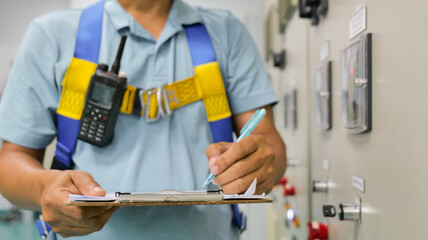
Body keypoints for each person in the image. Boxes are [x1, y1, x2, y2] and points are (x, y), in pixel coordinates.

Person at [0, 0, 286, 239]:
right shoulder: (51, 36)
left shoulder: (227, 32)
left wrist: (261, 164)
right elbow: (11, 160)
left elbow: (268, 142)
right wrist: (45, 187)